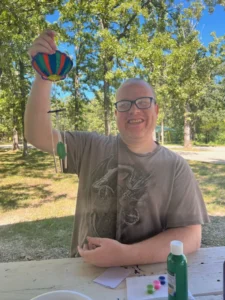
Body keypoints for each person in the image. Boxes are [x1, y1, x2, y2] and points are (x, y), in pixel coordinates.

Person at [25, 29, 209, 267]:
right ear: (115, 113)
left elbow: (191, 237)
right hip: (86, 273)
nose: (134, 110)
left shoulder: (176, 167)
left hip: (147, 278)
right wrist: (43, 77)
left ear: (156, 110)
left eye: (143, 102)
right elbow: (37, 135)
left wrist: (124, 255)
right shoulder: (90, 146)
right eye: (124, 104)